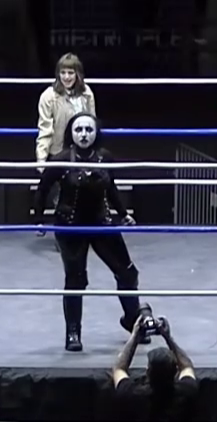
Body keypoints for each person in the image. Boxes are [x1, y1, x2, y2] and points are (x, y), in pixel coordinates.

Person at [36, 112, 141, 352]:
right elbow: (43, 189)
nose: (84, 134)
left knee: (127, 273)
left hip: (101, 222)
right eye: (79, 129)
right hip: (70, 225)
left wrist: (123, 213)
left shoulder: (105, 158)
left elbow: (111, 188)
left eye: (89, 129)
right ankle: (73, 333)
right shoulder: (61, 159)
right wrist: (39, 219)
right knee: (75, 279)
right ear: (71, 133)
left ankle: (132, 320)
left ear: (96, 133)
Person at [35, 52, 96, 163]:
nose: (66, 77)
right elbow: (45, 131)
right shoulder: (48, 96)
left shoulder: (87, 93)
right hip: (58, 153)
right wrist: (41, 160)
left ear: (78, 74)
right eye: (63, 73)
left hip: (82, 154)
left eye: (70, 73)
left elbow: (92, 126)